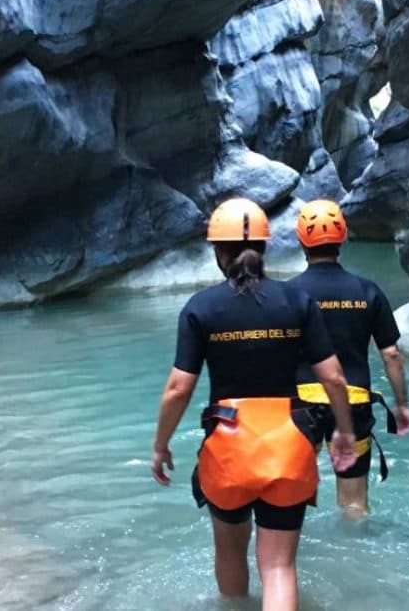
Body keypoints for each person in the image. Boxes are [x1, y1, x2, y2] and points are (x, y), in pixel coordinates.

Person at [151, 197, 358, 611]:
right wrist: (344, 431)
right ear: (265, 247)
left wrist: (160, 445)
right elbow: (334, 377)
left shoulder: (201, 308)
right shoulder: (297, 302)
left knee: (230, 554)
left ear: (217, 251)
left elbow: (178, 389)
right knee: (278, 567)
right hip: (288, 448)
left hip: (228, 449)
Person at [288, 199, 409, 517]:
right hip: (352, 401)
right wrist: (402, 405)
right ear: (343, 237)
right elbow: (391, 354)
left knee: (290, 497)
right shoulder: (367, 290)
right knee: (354, 502)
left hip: (300, 404)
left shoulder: (287, 295)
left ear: (301, 241)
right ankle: (356, 544)